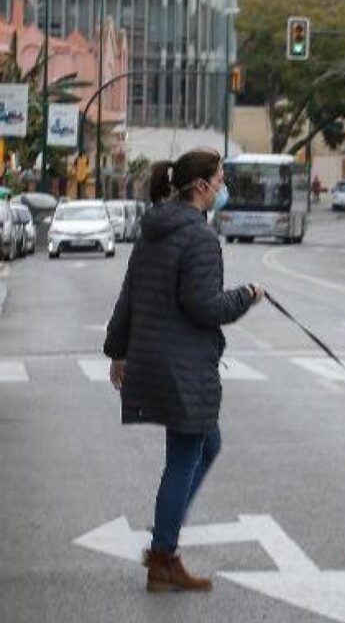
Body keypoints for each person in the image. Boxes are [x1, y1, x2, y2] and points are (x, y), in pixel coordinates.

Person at [103, 149, 265, 592]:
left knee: (206, 442)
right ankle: (163, 556)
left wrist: (118, 350)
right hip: (184, 365)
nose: (223, 188)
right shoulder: (198, 238)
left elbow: (129, 294)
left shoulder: (153, 229)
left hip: (156, 358)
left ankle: (164, 542)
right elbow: (203, 305)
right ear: (201, 186)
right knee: (183, 458)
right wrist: (247, 296)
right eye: (220, 180)